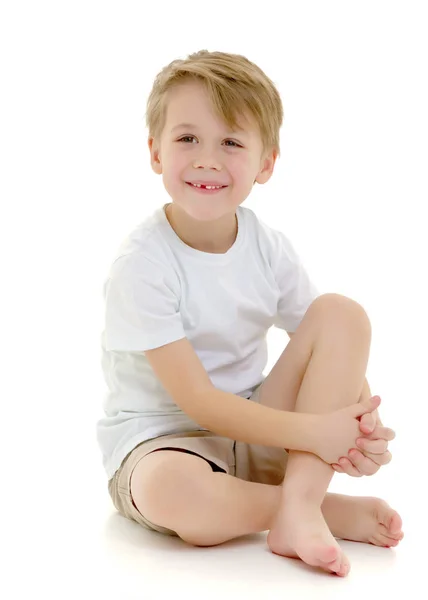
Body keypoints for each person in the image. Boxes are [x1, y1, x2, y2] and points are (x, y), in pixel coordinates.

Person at [97, 50, 403, 577]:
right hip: (166, 444)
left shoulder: (267, 247)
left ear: (265, 164)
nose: (207, 159)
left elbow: (326, 344)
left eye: (231, 143)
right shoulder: (142, 265)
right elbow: (199, 402)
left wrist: (359, 423)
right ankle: (308, 508)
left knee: (341, 313)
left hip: (258, 432)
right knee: (172, 491)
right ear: (155, 151)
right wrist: (317, 435)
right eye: (187, 138)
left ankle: (298, 502)